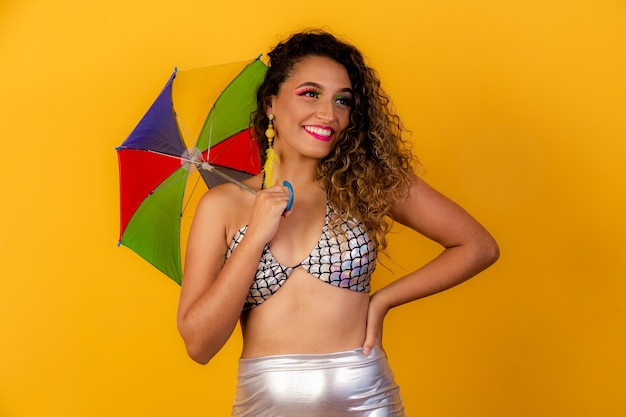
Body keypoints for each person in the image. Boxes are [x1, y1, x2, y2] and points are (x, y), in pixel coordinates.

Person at [177, 29, 499, 416]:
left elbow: (478, 246)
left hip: (366, 400)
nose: (328, 114)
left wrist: (382, 302)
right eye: (310, 93)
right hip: (265, 406)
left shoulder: (366, 183)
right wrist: (254, 236)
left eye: (341, 100)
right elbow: (199, 346)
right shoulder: (222, 205)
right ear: (270, 103)